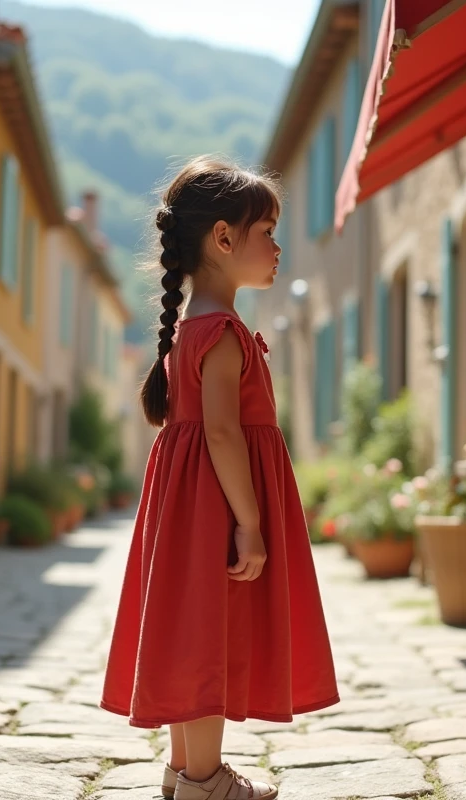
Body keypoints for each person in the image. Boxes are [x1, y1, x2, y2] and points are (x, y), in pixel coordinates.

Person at [100, 156, 339, 800]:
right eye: (266, 231)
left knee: (190, 632)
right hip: (217, 508)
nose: (278, 246)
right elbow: (223, 434)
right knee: (208, 639)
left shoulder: (189, 330)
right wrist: (251, 524)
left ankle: (185, 772)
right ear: (223, 239)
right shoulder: (225, 333)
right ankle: (206, 781)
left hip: (189, 506)